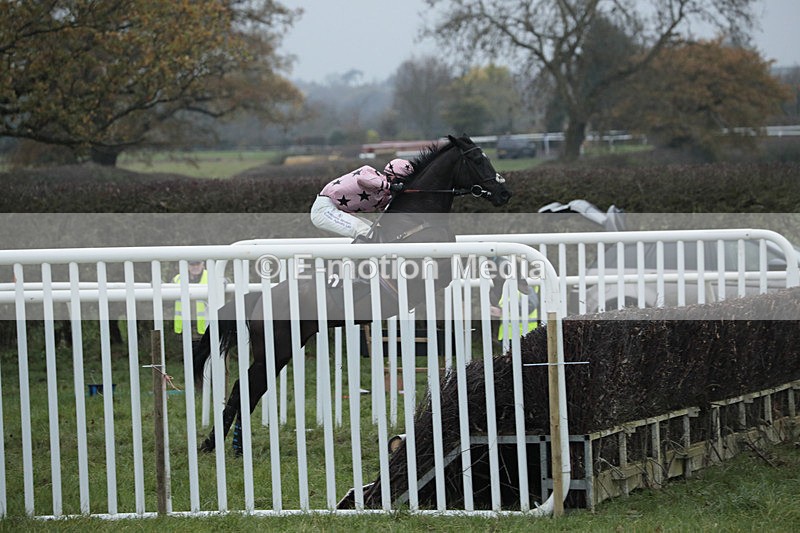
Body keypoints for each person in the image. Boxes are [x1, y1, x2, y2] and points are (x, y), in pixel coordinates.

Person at [310, 158, 413, 240]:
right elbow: (362, 180)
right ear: (391, 176)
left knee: (376, 231)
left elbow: (386, 215)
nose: (401, 184)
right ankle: (355, 264)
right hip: (324, 209)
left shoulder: (384, 196)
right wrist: (390, 186)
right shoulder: (369, 172)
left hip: (341, 211)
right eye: (400, 180)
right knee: (365, 232)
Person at [172, 260, 208, 338]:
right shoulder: (177, 279)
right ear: (187, 266)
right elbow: (166, 296)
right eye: (192, 264)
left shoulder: (210, 276)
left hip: (206, 328)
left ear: (202, 264)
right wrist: (159, 284)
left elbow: (227, 293)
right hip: (183, 330)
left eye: (197, 264)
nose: (195, 267)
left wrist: (225, 281)